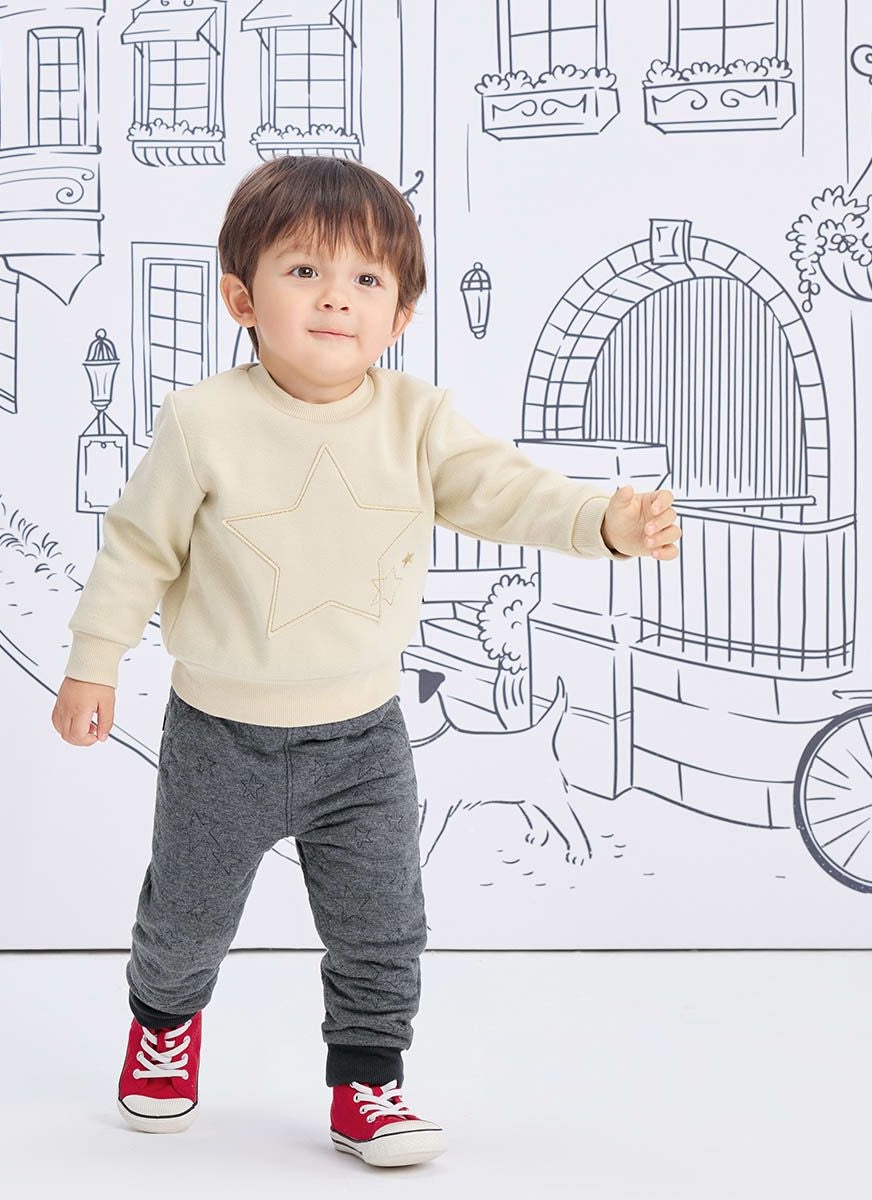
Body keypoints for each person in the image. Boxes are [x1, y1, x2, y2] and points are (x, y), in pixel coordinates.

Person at [50, 156, 680, 1168]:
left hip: (364, 741)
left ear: (401, 314)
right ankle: (163, 1026)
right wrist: (94, 662)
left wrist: (602, 521)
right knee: (187, 912)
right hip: (219, 738)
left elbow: (507, 491)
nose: (335, 297)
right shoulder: (204, 422)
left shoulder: (415, 421)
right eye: (304, 272)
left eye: (366, 279)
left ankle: (368, 1085)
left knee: (384, 923)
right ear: (242, 299)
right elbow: (137, 548)